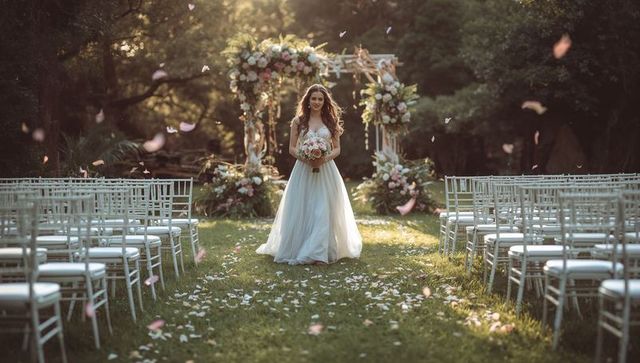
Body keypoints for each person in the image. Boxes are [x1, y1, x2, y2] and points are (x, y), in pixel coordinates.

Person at [256, 84, 362, 265]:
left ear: (325, 101)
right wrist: (306, 157)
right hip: (303, 169)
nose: (317, 102)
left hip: (326, 170)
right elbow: (291, 148)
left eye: (320, 99)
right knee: (304, 207)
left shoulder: (331, 121)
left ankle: (319, 253)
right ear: (308, 100)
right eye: (314, 98)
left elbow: (337, 149)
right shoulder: (298, 121)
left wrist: (323, 158)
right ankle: (300, 248)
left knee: (323, 209)